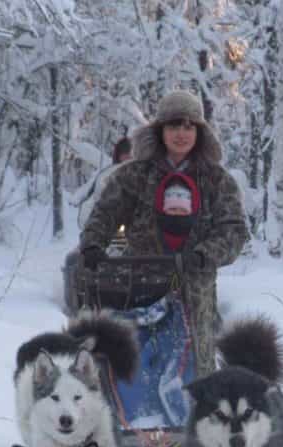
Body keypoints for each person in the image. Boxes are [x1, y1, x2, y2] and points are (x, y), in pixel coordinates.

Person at [76, 90, 249, 377]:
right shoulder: (134, 175)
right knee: (139, 369)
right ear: (159, 130)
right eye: (173, 124)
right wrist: (93, 245)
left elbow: (234, 229)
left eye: (188, 125)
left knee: (196, 372)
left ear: (200, 132)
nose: (181, 133)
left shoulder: (217, 180)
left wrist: (205, 255)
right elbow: (104, 214)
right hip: (139, 284)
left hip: (195, 290)